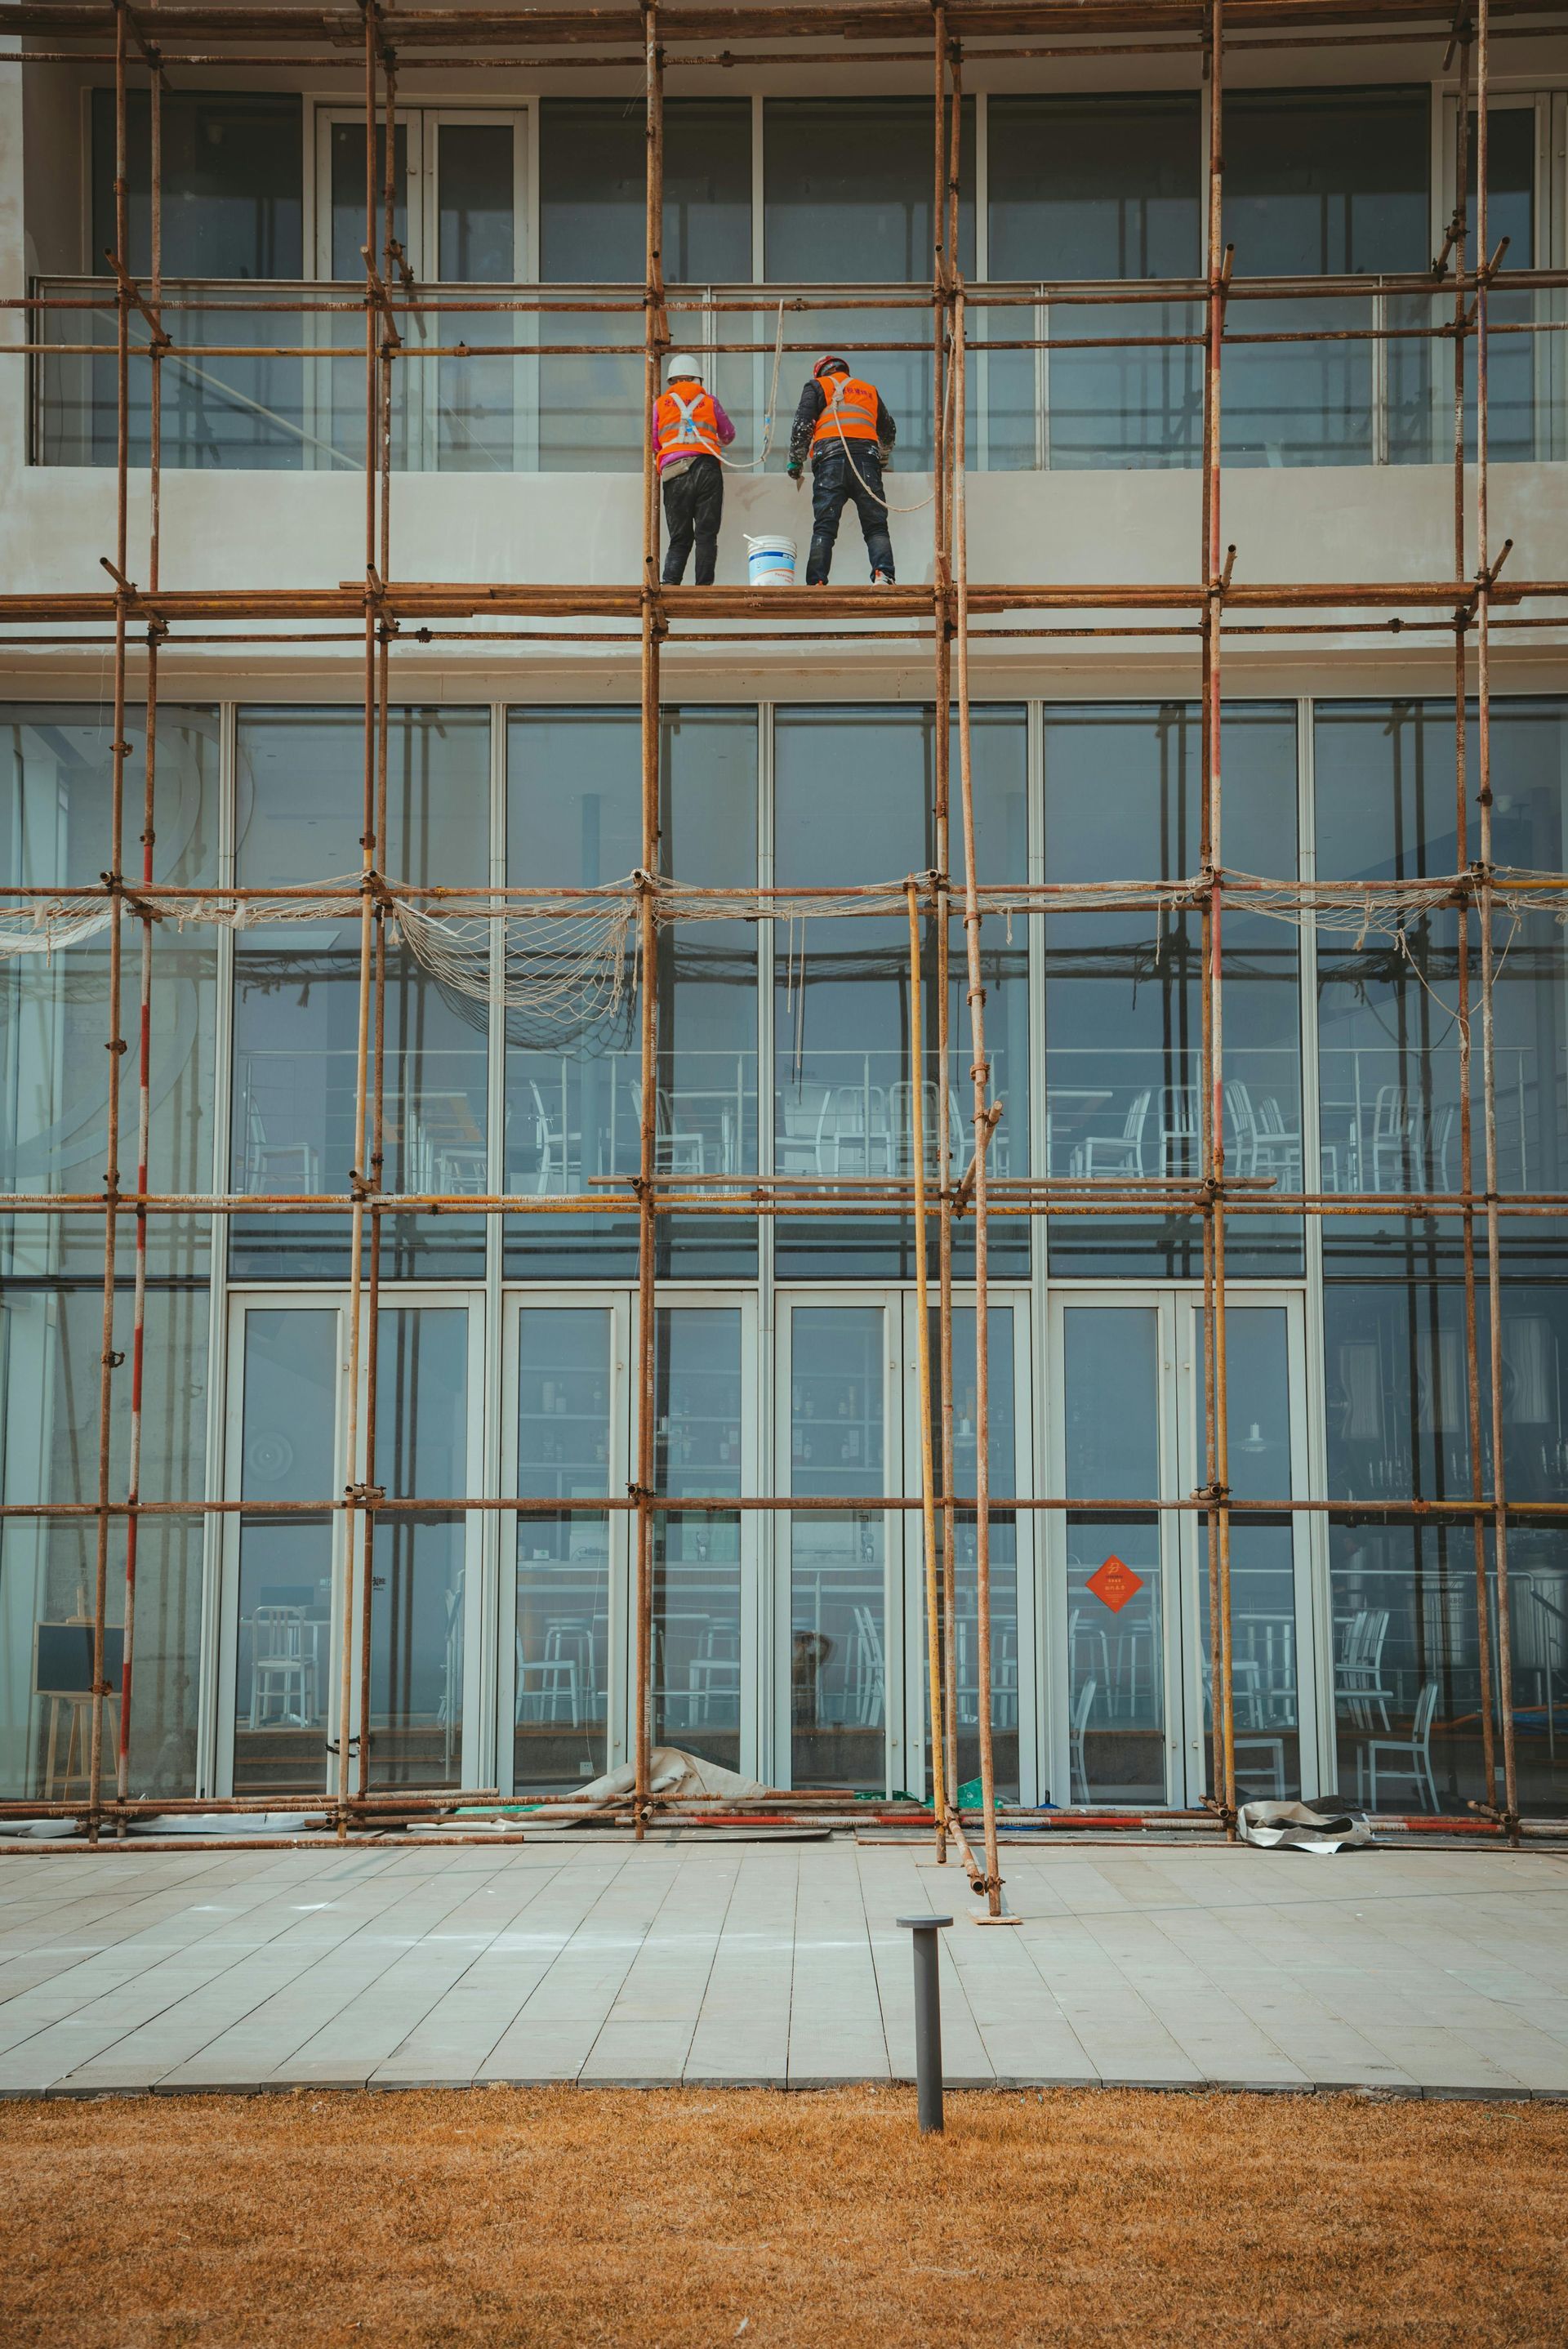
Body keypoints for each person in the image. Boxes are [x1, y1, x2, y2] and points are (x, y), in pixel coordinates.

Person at [787, 355, 897, 586]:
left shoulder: (817, 386)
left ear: (820, 373)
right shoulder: (868, 390)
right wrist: (883, 458)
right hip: (866, 462)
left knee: (825, 526)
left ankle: (816, 581)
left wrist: (796, 463)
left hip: (830, 462)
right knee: (876, 525)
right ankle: (883, 575)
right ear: (845, 371)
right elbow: (888, 431)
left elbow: (803, 425)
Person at [652, 354, 736, 586]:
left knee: (680, 538)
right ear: (697, 379)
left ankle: (669, 583)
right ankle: (704, 587)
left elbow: (654, 443)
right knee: (706, 535)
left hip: (674, 472)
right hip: (707, 468)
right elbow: (728, 434)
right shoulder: (709, 401)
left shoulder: (660, 404)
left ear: (671, 381)